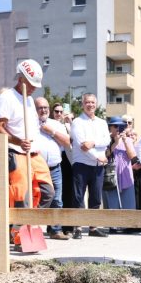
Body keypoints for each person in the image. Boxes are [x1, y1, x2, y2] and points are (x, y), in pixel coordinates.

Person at [0, 60, 54, 238]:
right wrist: (18, 141)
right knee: (21, 196)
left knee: (48, 192)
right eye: (31, 83)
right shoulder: (7, 98)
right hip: (17, 152)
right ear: (20, 78)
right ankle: (18, 233)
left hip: (34, 153)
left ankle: (30, 223)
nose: (35, 88)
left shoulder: (29, 99)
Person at [70, 93, 110, 238]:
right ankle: (78, 228)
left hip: (98, 165)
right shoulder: (77, 122)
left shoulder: (102, 122)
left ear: (96, 104)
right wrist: (97, 155)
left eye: (93, 102)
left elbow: (106, 140)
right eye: (87, 102)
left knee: (95, 197)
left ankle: (93, 228)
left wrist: (93, 142)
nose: (90, 105)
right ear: (82, 104)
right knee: (78, 196)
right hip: (82, 164)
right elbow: (83, 146)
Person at [34, 96, 70, 240]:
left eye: (46, 107)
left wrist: (51, 132)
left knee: (57, 200)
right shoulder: (30, 124)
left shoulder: (55, 124)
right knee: (35, 198)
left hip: (55, 167)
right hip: (36, 167)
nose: (43, 110)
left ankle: (55, 230)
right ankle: (32, 228)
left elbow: (67, 142)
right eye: (40, 107)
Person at [103, 116, 140, 219]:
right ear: (110, 128)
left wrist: (124, 141)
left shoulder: (128, 140)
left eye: (120, 126)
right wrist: (115, 142)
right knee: (112, 199)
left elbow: (132, 156)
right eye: (115, 126)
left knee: (128, 199)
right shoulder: (107, 140)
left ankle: (129, 224)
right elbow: (106, 155)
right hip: (112, 173)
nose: (118, 128)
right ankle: (114, 225)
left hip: (125, 172)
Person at [54, 102, 80, 239]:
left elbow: (75, 139)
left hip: (68, 160)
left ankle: (68, 227)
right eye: (56, 111)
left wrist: (69, 122)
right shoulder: (49, 124)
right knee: (55, 195)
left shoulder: (69, 125)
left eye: (61, 111)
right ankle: (54, 227)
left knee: (69, 194)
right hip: (54, 159)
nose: (59, 114)